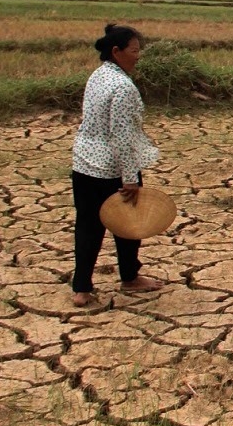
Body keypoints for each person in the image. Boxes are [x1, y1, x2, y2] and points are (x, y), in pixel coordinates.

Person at [70, 24, 165, 307]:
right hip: (110, 169)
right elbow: (122, 137)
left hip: (83, 163)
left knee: (87, 226)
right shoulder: (123, 87)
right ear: (116, 51)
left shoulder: (98, 76)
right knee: (128, 225)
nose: (138, 57)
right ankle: (130, 277)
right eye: (134, 51)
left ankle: (82, 288)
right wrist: (130, 177)